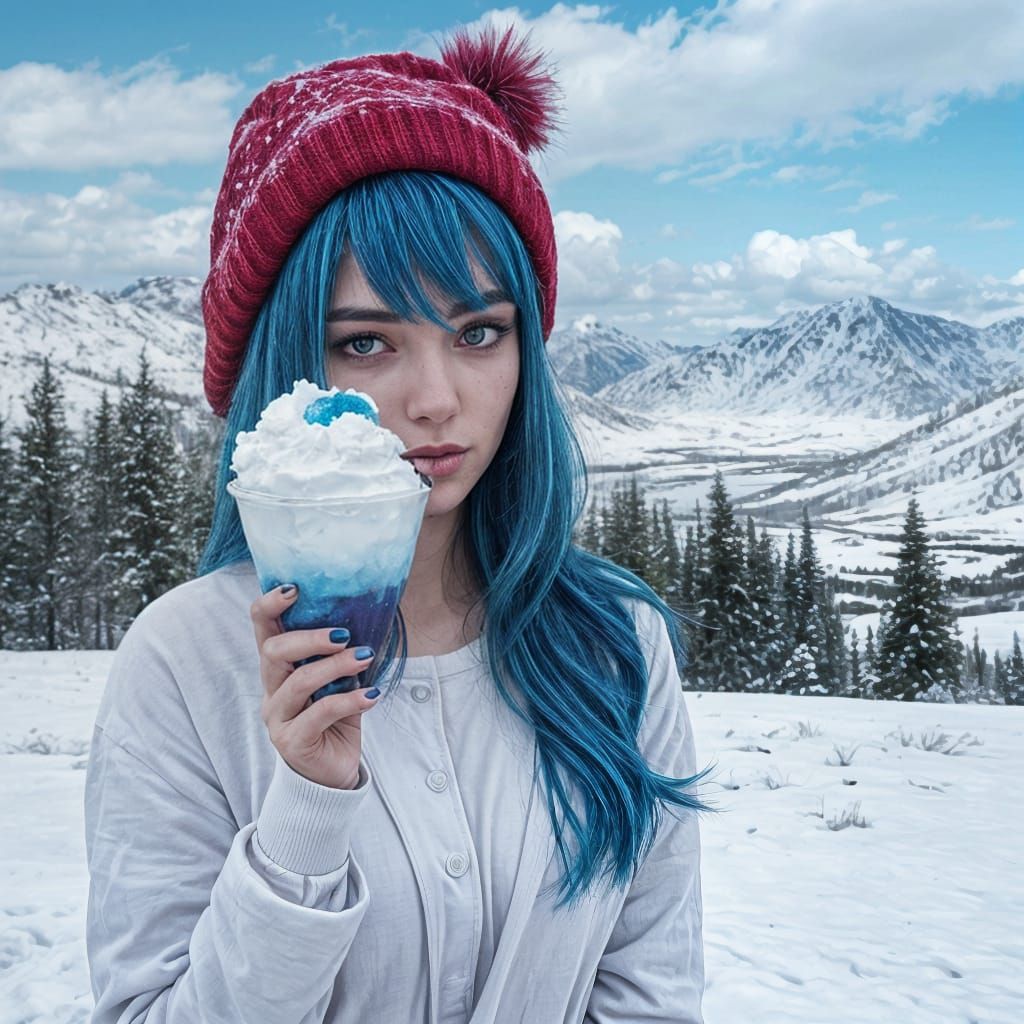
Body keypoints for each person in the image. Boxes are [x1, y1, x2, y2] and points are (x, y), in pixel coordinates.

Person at [84, 26, 717, 1024]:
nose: (434, 398)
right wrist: (303, 812)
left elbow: (650, 995)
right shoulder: (185, 661)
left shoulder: (612, 649)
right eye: (366, 341)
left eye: (478, 332)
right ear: (284, 368)